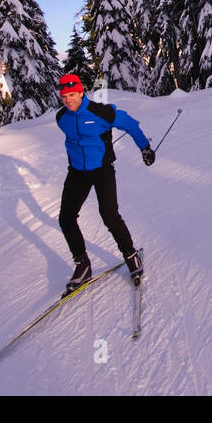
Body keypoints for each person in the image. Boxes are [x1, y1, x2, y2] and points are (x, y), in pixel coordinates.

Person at [53, 73, 154, 294]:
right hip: (77, 172)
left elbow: (129, 123)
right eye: (64, 96)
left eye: (72, 94)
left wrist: (145, 147)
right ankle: (82, 264)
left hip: (102, 170)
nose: (68, 100)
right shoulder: (62, 119)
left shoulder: (100, 112)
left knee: (109, 215)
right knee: (66, 217)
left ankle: (131, 255)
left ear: (81, 92)